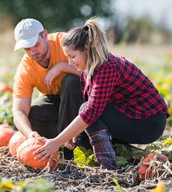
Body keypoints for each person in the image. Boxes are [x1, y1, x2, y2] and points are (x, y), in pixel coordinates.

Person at [34, 17, 169, 170]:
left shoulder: (107, 68)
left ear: (87, 50)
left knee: (87, 111)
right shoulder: (88, 71)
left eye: (72, 57)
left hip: (150, 122)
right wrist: (73, 135)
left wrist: (56, 141)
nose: (69, 63)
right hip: (130, 115)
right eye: (67, 58)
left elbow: (91, 111)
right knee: (82, 138)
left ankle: (109, 167)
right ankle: (129, 158)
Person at [12, 18, 88, 159]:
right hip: (58, 101)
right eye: (27, 48)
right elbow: (19, 110)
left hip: (86, 98)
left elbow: (96, 70)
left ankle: (70, 151)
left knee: (71, 81)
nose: (32, 51)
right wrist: (29, 134)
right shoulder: (26, 68)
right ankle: (63, 141)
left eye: (35, 44)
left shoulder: (66, 42)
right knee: (32, 116)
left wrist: (62, 67)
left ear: (45, 35)